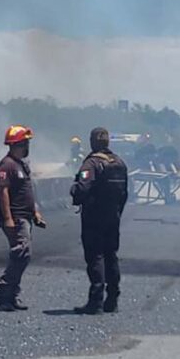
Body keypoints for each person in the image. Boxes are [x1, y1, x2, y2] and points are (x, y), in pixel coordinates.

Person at [70, 127, 129, 314]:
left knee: (95, 256)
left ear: (92, 142)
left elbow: (82, 189)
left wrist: (74, 191)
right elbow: (125, 194)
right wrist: (117, 212)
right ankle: (112, 300)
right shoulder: (119, 163)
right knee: (111, 256)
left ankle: (95, 301)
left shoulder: (92, 163)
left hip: (94, 218)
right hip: (113, 217)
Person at [0, 125, 46, 311]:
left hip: (25, 217)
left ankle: (11, 295)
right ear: (17, 144)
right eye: (25, 142)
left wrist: (35, 212)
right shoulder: (6, 166)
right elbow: (3, 192)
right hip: (16, 217)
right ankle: (2, 290)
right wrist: (8, 218)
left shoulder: (22, 165)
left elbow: (28, 191)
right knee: (21, 253)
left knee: (22, 255)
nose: (27, 146)